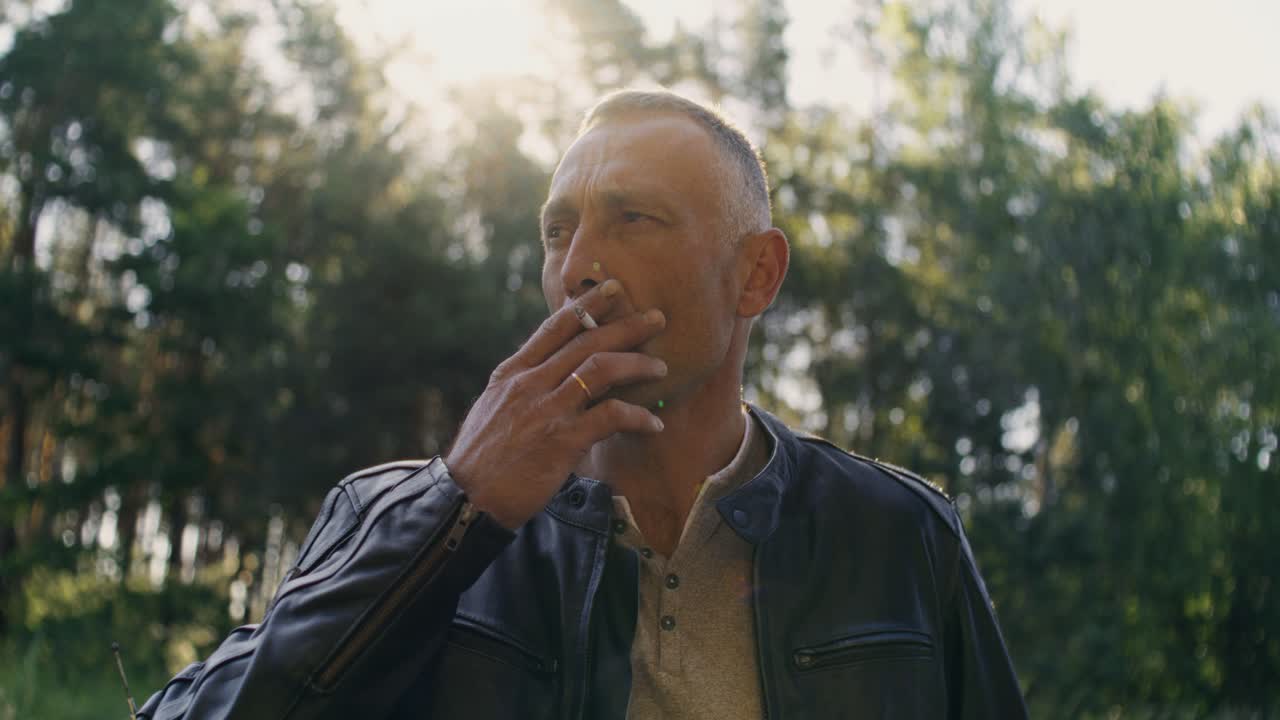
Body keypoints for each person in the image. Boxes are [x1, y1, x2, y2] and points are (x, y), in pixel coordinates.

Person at [138, 89, 1028, 719]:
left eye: (632, 218)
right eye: (557, 231)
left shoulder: (900, 534)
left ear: (756, 273)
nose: (575, 270)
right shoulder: (389, 516)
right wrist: (454, 511)